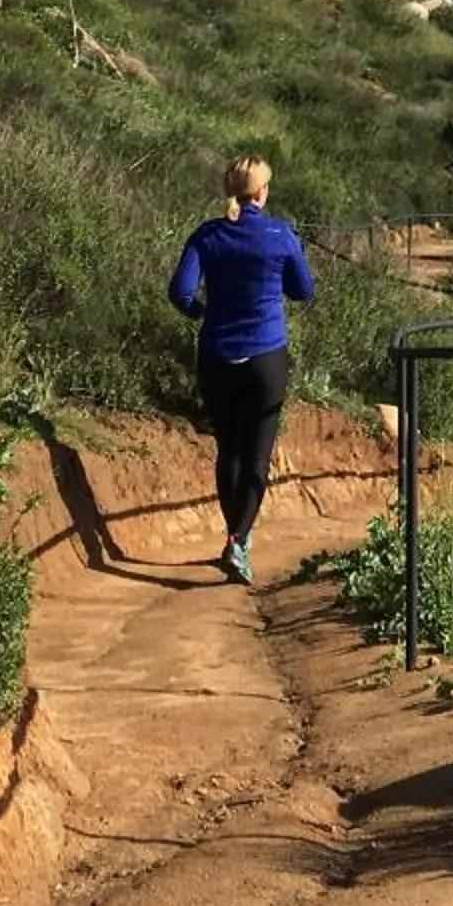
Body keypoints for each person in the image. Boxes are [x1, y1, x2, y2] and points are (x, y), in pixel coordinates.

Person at [168, 153, 314, 584]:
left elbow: (179, 292)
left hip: (216, 355)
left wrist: (201, 312)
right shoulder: (280, 234)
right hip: (266, 356)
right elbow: (303, 291)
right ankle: (238, 540)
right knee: (257, 454)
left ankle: (233, 536)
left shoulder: (207, 235)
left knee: (228, 449)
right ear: (263, 192)